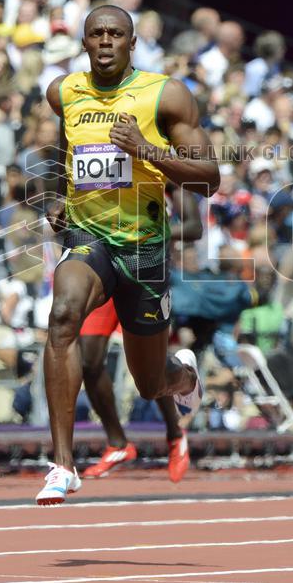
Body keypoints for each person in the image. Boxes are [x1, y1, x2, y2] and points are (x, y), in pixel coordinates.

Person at [37, 5, 220, 505]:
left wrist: (145, 150)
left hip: (144, 248)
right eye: (95, 34)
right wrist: (59, 197)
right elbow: (68, 150)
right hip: (89, 236)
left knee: (149, 382)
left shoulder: (166, 94)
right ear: (83, 41)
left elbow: (209, 180)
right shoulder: (64, 93)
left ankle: (185, 374)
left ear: (132, 42)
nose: (105, 42)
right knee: (62, 316)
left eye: (115, 34)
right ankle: (62, 464)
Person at [80, 183, 202, 482]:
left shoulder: (158, 162)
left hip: (144, 272)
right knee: (88, 360)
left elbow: (194, 226)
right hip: (104, 270)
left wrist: (143, 235)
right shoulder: (100, 162)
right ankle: (118, 443)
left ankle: (175, 434)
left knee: (152, 368)